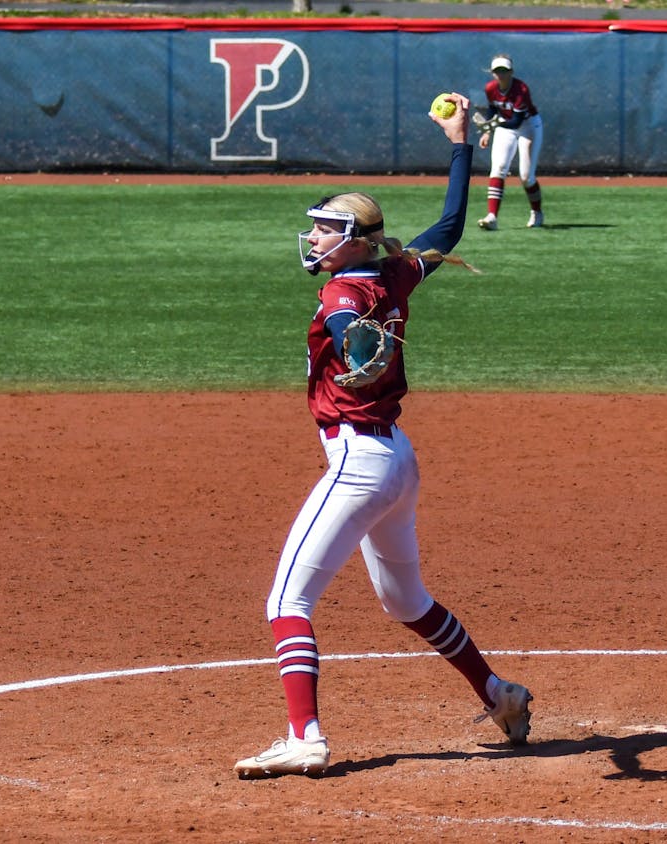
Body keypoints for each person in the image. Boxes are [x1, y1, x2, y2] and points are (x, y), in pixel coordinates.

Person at [233, 91, 534, 780]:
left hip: (359, 463)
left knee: (285, 602)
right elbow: (450, 226)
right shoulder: (395, 272)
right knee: (406, 601)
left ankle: (304, 737)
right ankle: (499, 694)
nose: (313, 237)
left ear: (353, 240)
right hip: (396, 462)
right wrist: (459, 144)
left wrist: (353, 341)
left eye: (324, 229)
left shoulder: (343, 295)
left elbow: (347, 323)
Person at [476, 54, 545, 230]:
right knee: (498, 168)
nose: (501, 74)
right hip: (505, 126)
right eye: (497, 71)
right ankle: (492, 217)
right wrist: (487, 131)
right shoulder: (490, 88)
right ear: (492, 73)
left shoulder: (521, 89)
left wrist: (493, 125)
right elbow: (493, 109)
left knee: (526, 177)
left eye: (504, 70)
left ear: (511, 71)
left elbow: (516, 121)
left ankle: (537, 212)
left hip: (528, 126)